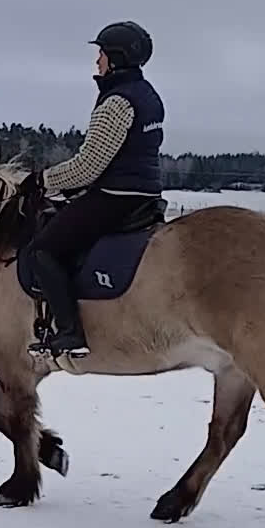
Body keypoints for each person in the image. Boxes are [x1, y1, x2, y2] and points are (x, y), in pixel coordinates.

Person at [26, 21, 165, 357]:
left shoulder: (117, 102)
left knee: (42, 250)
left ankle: (70, 332)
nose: (97, 61)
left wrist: (43, 180)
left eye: (101, 54)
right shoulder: (148, 96)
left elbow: (89, 166)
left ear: (115, 58)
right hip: (145, 195)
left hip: (116, 198)